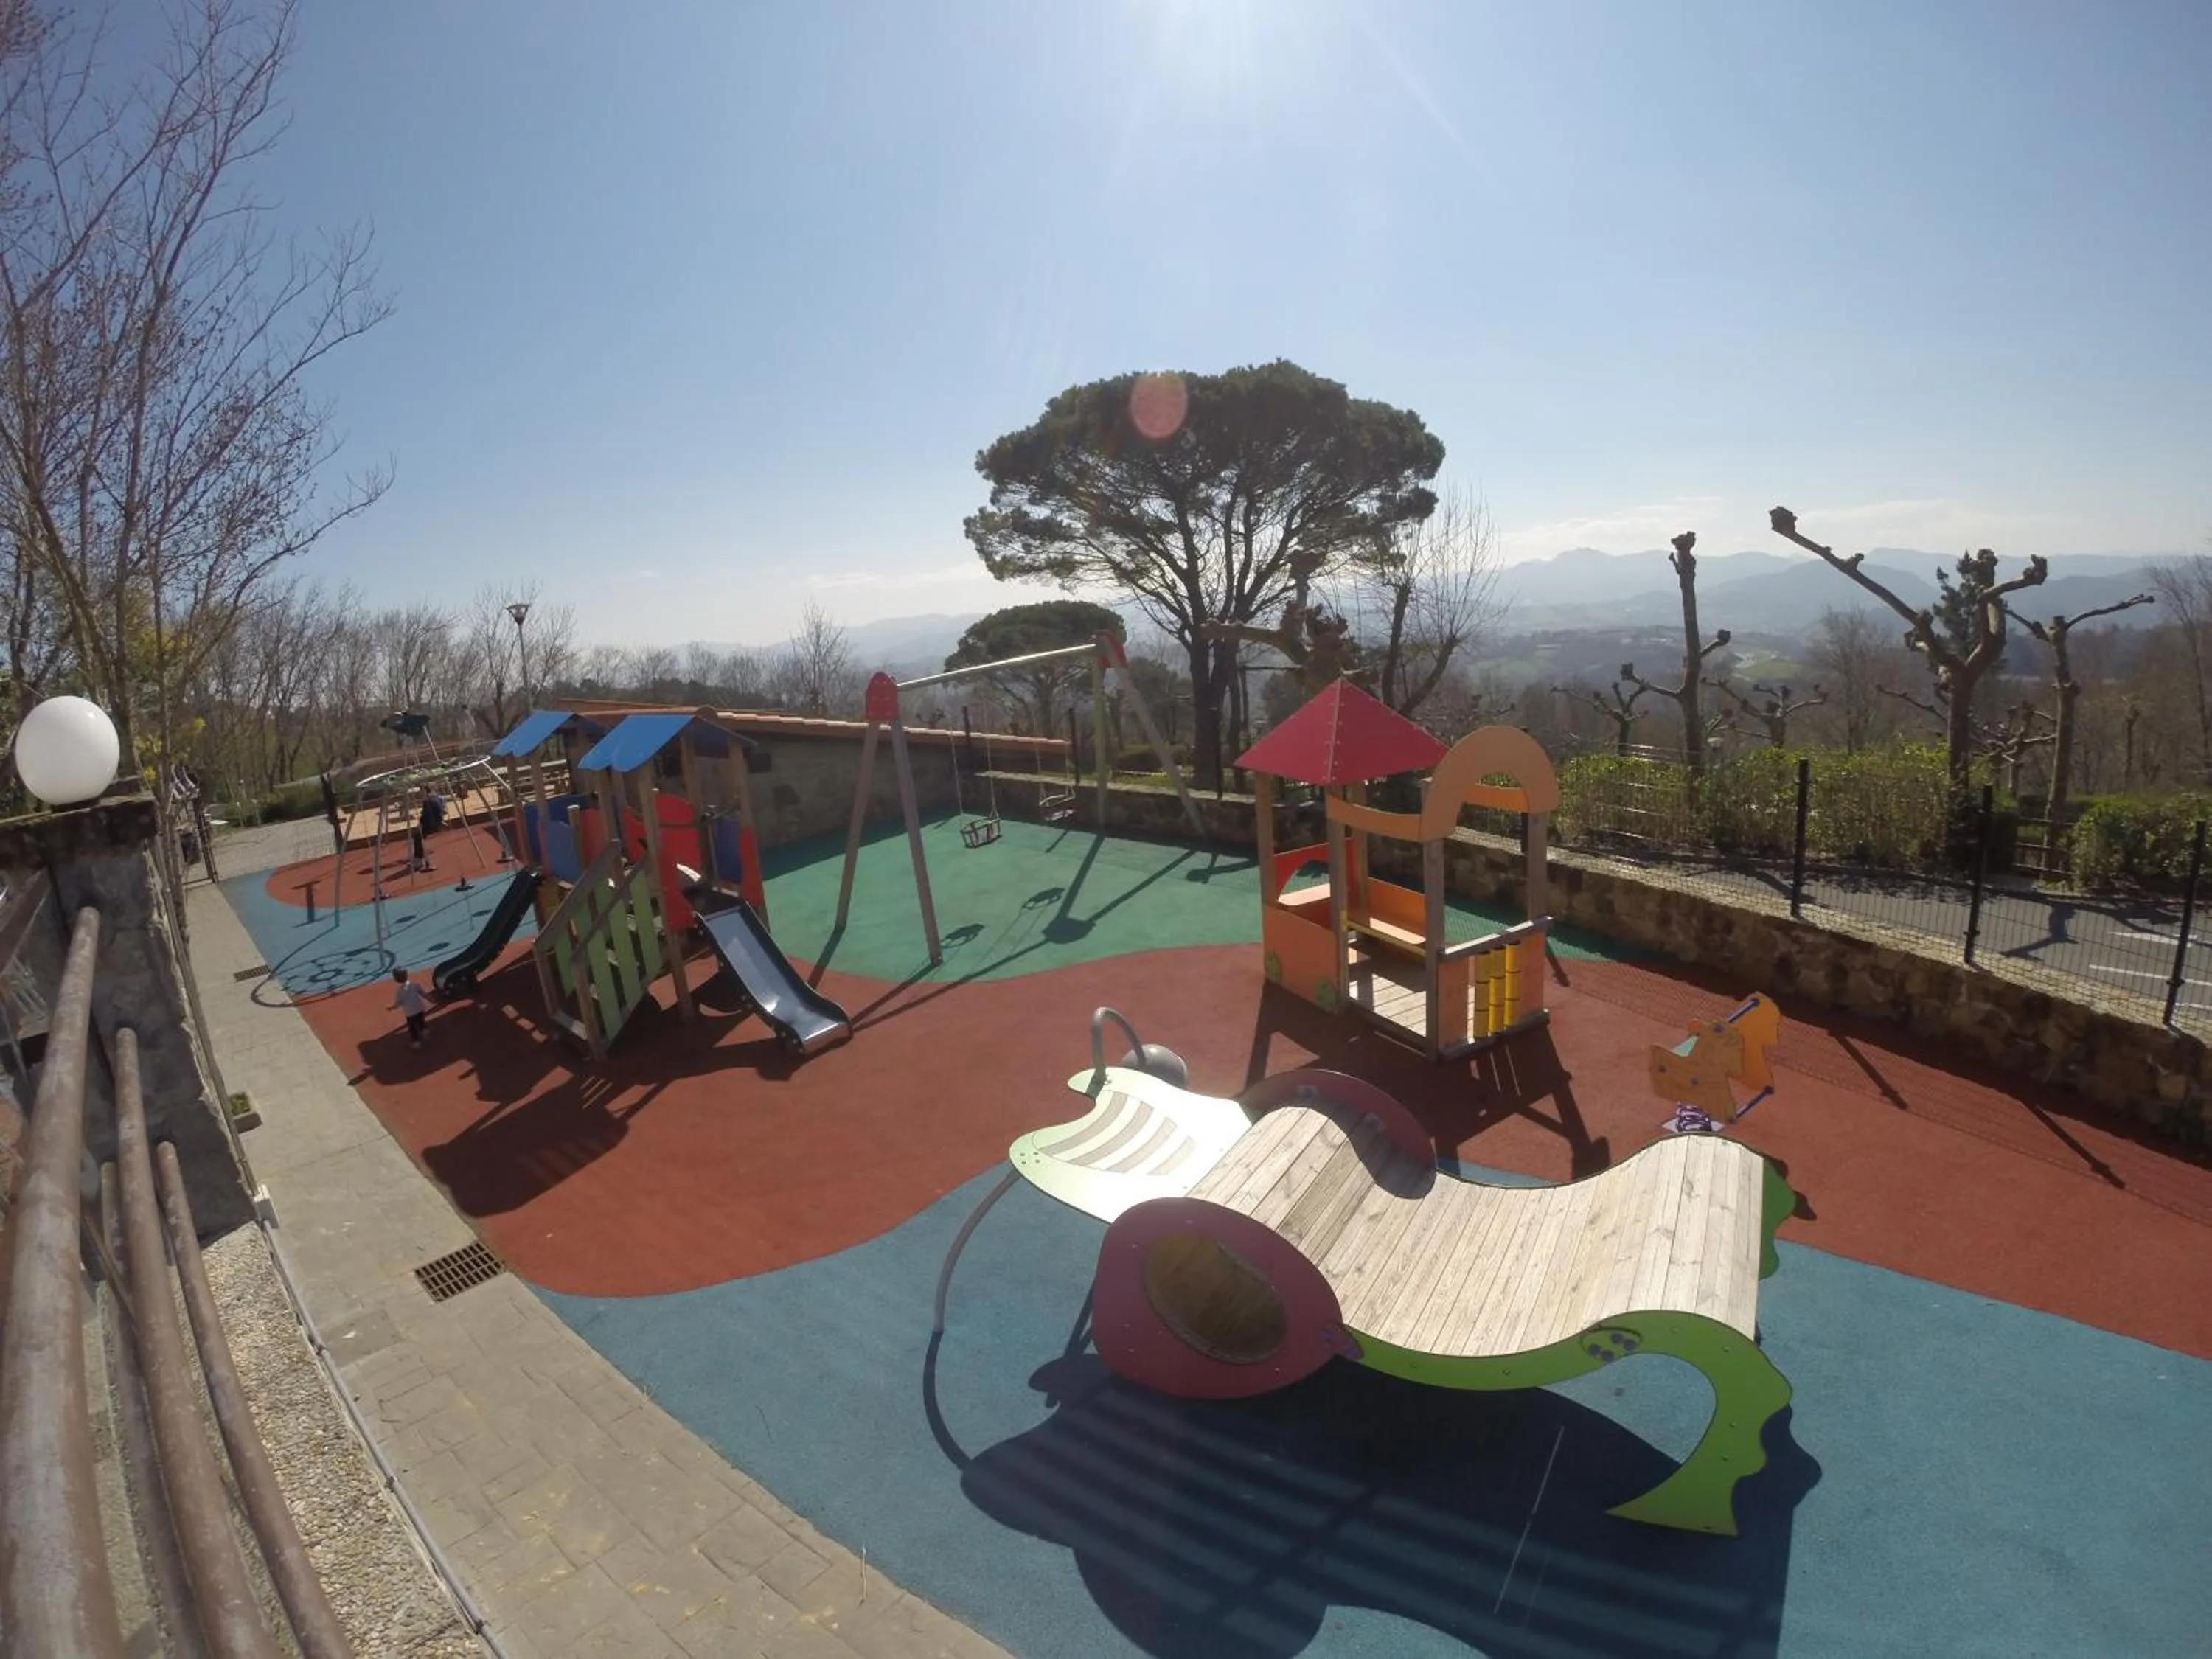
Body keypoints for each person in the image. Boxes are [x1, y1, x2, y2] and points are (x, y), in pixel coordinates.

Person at [391, 967, 430, 1048]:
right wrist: (431, 999)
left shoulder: (400, 991)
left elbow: (398, 1003)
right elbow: (424, 994)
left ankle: (416, 1041)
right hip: (420, 1008)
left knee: (412, 1027)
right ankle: (424, 1029)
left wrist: (391, 1008)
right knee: (421, 1020)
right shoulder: (415, 985)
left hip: (410, 1013)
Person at [411, 792, 448, 872]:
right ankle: (418, 859)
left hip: (430, 824)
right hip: (427, 823)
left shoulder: (432, 801)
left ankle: (420, 861)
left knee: (418, 837)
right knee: (417, 837)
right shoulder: (433, 800)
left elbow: (437, 813)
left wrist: (440, 821)